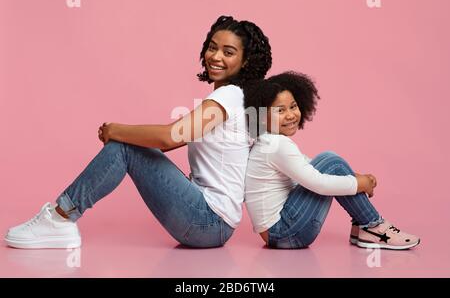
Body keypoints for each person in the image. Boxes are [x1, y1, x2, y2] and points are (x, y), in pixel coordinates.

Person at [4, 15, 272, 249]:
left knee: (123, 146)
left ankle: (60, 218)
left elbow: (169, 137)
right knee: (130, 145)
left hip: (208, 221)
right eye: (212, 48)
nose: (215, 57)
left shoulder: (228, 96)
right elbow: (168, 144)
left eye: (228, 52)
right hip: (214, 224)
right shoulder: (239, 98)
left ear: (245, 61)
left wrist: (115, 130)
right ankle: (61, 217)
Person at [244, 71, 420, 250]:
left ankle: (364, 227)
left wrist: (353, 177)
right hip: (284, 232)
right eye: (280, 110)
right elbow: (319, 182)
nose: (290, 115)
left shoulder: (268, 141)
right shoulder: (277, 145)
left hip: (278, 232)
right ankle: (372, 226)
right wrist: (359, 184)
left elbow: (307, 166)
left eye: (293, 106)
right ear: (262, 117)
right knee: (332, 161)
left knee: (331, 164)